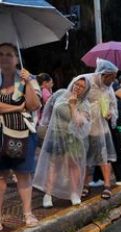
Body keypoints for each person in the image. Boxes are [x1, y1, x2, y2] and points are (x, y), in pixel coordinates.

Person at [0, 43, 42, 229]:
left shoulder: (28, 78)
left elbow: (33, 105)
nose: (5, 58)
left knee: (23, 175)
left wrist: (28, 84)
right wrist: (17, 107)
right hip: (1, 133)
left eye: (9, 54)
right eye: (1, 54)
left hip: (23, 134)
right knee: (0, 177)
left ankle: (27, 214)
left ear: (17, 59)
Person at [33, 76, 91, 207]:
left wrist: (72, 105)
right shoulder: (60, 94)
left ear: (86, 90)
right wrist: (44, 123)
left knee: (73, 165)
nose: (78, 87)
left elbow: (79, 122)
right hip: (56, 134)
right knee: (53, 165)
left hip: (73, 138)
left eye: (82, 86)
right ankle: (48, 195)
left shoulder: (85, 104)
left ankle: (74, 193)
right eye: (77, 84)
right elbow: (48, 108)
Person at [82, 59, 118, 200]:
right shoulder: (87, 82)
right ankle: (85, 185)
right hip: (85, 127)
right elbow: (76, 99)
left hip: (101, 128)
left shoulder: (109, 88)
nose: (114, 81)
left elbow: (113, 105)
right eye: (113, 77)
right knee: (84, 158)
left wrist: (111, 113)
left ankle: (107, 185)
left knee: (103, 157)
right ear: (105, 74)